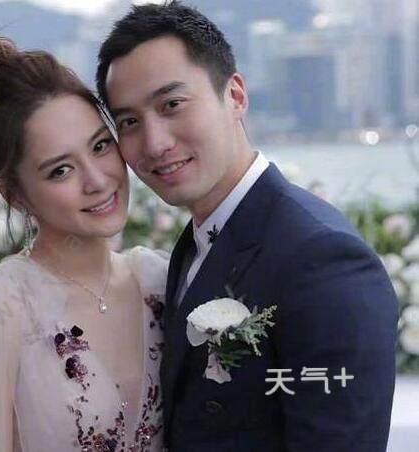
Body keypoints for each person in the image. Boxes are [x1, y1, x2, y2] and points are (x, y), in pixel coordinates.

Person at [96, 2, 399, 451]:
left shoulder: (323, 259)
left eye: (172, 105)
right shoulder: (198, 241)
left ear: (235, 95)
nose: (155, 143)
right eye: (130, 122)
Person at [0, 33, 168, 451]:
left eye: (100, 146)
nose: (97, 181)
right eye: (61, 170)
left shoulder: (157, 281)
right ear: (14, 194)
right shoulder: (4, 305)